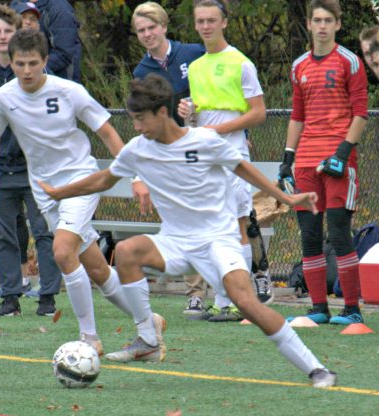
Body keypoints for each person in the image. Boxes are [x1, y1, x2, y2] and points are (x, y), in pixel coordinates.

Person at [39, 73, 337, 388]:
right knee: (126, 252)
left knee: (246, 302)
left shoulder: (205, 141)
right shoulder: (137, 149)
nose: (136, 127)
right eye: (133, 119)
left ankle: (316, 368)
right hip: (175, 242)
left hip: (217, 241)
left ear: (162, 112)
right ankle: (148, 339)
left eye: (141, 119)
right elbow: (103, 179)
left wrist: (286, 198)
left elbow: (243, 168)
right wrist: (60, 193)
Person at [0, 29, 137, 356]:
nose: (26, 70)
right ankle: (149, 320)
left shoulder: (69, 91)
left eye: (33, 63)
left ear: (45, 61)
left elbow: (107, 131)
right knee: (97, 269)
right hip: (47, 192)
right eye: (20, 63)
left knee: (63, 252)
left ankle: (89, 339)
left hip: (81, 180)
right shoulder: (2, 98)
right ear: (11, 62)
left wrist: (133, 174)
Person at [278, 0, 369, 326]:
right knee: (310, 235)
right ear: (309, 24)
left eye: (328, 20)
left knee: (340, 232)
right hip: (306, 161)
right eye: (316, 20)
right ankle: (319, 307)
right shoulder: (298, 66)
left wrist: (342, 154)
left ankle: (352, 308)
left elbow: (361, 113)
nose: (322, 26)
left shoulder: (350, 61)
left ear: (337, 24)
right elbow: (297, 115)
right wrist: (287, 158)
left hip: (338, 160)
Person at [177, 0, 267, 322]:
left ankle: (237, 301)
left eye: (211, 20)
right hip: (205, 153)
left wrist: (219, 130)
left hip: (232, 151)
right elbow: (199, 116)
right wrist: (188, 113)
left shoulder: (241, 63)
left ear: (224, 22)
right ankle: (222, 298)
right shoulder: (196, 66)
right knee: (214, 225)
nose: (205, 26)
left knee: (237, 223)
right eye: (200, 21)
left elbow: (258, 113)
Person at [0, 3, 61, 317]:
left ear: (18, 33)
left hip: (37, 169)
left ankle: (48, 297)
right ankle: (10, 297)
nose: (2, 36)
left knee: (45, 232)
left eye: (8, 31)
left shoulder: (36, 73)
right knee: (3, 235)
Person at [132, 1, 214, 318]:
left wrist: (196, 107)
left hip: (206, 145)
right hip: (172, 155)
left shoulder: (193, 53)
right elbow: (144, 118)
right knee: (184, 220)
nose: (147, 34)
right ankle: (195, 294)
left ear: (164, 26)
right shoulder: (142, 72)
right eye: (141, 30)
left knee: (220, 216)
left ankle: (233, 288)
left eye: (152, 27)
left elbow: (220, 92)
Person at [10, 0, 82, 82]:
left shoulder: (60, 10)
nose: (27, 22)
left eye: (32, 19)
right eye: (23, 17)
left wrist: (32, 67)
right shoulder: (16, 3)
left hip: (59, 80)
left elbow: (64, 55)